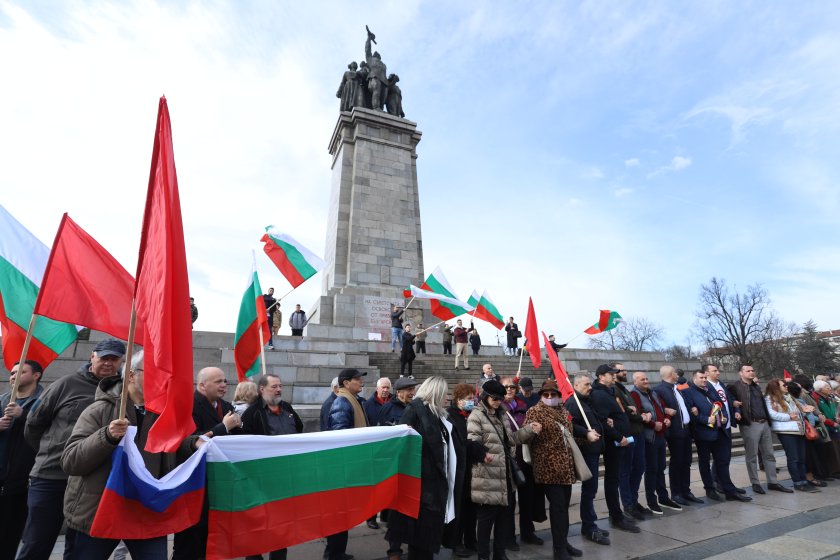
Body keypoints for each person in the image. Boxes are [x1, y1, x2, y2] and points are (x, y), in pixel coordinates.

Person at [61, 351, 176, 559]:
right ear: (131, 375)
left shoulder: (164, 415)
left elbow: (172, 448)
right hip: (98, 511)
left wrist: (193, 444)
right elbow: (71, 461)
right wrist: (107, 436)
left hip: (145, 511)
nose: (161, 379)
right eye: (153, 372)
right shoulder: (99, 410)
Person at [20, 338, 126, 560]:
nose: (108, 363)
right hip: (51, 477)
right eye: (103, 357)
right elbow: (34, 424)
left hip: (88, 484)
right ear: (92, 357)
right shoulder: (65, 384)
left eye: (114, 359)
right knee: (36, 543)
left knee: (77, 549)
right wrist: (51, 451)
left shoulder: (122, 393)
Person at [173, 367, 242, 560]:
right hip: (194, 481)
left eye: (225, 381)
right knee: (189, 541)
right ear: (202, 385)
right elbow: (191, 440)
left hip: (218, 482)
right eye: (218, 382)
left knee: (210, 539)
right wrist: (224, 427)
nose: (224, 385)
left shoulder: (227, 406)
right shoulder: (189, 405)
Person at [386, 377, 458, 559]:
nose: (447, 397)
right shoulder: (414, 412)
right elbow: (403, 449)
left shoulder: (437, 415)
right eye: (444, 393)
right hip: (422, 488)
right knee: (420, 542)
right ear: (435, 393)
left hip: (433, 486)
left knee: (425, 541)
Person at [467, 380, 540, 560]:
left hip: (506, 475)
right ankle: (483, 556)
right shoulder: (476, 415)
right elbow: (472, 440)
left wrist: (529, 430)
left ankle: (500, 554)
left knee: (504, 519)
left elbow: (512, 439)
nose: (498, 402)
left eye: (500, 399)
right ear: (484, 397)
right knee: (486, 521)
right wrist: (482, 454)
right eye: (494, 398)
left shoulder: (503, 414)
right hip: (487, 475)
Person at [241, 374, 303, 560]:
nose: (279, 389)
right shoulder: (252, 413)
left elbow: (299, 430)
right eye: (274, 386)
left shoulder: (287, 408)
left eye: (280, 386)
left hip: (285, 478)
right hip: (261, 479)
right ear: (262, 389)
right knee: (257, 523)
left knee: (282, 524)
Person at [525, 379, 580, 560]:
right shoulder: (535, 411)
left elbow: (569, 437)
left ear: (558, 395)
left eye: (553, 394)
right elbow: (526, 438)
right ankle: (559, 549)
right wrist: (531, 431)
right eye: (546, 394)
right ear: (541, 396)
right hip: (548, 468)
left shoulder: (564, 411)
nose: (549, 397)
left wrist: (588, 436)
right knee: (557, 509)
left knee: (564, 507)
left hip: (566, 468)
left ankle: (563, 542)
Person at [681, 370, 751, 502]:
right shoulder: (688, 392)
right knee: (705, 463)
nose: (704, 380)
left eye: (705, 377)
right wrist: (706, 420)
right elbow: (691, 414)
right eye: (701, 377)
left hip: (720, 431)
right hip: (704, 434)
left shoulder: (710, 390)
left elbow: (721, 405)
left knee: (723, 462)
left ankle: (729, 490)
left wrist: (724, 417)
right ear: (694, 378)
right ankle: (710, 489)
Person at [0, 360, 44, 560]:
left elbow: (49, 432)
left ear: (36, 376)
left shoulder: (42, 402)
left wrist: (23, 415)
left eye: (21, 371)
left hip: (23, 481)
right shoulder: (2, 401)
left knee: (11, 535)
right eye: (12, 372)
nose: (13, 376)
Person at [588, 365, 639, 534]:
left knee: (615, 479)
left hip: (620, 441)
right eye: (611, 374)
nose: (614, 376)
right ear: (601, 377)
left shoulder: (608, 391)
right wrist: (619, 437)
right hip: (613, 444)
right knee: (612, 480)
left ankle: (617, 515)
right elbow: (603, 421)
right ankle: (616, 516)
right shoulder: (599, 394)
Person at [727, 365, 791, 495]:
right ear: (741, 373)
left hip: (764, 423)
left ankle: (772, 482)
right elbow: (729, 399)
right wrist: (736, 408)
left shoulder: (756, 386)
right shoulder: (734, 386)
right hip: (750, 424)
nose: (751, 372)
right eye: (748, 371)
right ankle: (755, 483)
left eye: (752, 370)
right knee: (752, 456)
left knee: (769, 454)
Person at [326, 369, 369, 560]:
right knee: (338, 513)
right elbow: (340, 435)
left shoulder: (353, 400)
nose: (361, 382)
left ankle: (336, 551)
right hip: (343, 467)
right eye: (357, 379)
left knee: (343, 513)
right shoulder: (342, 402)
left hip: (350, 464)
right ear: (346, 383)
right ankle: (334, 553)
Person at [565, 374, 610, 544]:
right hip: (586, 451)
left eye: (590, 384)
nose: (590, 387)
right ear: (576, 385)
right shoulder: (572, 403)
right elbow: (569, 425)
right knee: (589, 491)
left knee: (591, 491)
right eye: (586, 384)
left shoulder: (585, 401)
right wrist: (586, 433)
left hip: (594, 450)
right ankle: (589, 527)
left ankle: (590, 523)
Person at [444, 384, 486, 558]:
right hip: (459, 468)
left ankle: (471, 539)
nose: (472, 402)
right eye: (468, 399)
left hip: (473, 468)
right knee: (459, 508)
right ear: (458, 400)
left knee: (472, 508)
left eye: (473, 398)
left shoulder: (473, 415)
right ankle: (456, 542)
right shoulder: (451, 416)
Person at [499, 376, 540, 550]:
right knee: (509, 503)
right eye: (506, 387)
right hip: (508, 460)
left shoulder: (524, 406)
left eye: (512, 387)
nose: (509, 389)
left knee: (527, 499)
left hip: (525, 459)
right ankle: (509, 537)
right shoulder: (497, 407)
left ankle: (527, 532)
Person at [653, 365, 696, 507]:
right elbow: (656, 407)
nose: (678, 375)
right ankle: (676, 493)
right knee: (677, 462)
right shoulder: (660, 389)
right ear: (671, 374)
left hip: (686, 430)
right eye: (675, 373)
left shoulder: (676, 388)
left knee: (686, 461)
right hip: (675, 432)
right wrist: (665, 410)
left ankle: (686, 491)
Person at [703, 364, 748, 497]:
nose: (718, 372)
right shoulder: (706, 386)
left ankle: (723, 482)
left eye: (718, 370)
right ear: (706, 373)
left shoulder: (721, 384)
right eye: (714, 370)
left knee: (725, 458)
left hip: (727, 425)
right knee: (720, 458)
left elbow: (730, 399)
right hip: (717, 427)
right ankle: (719, 483)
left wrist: (736, 409)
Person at [629, 371, 671, 516]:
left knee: (661, 468)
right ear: (635, 382)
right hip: (649, 437)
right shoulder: (634, 395)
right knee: (652, 469)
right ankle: (651, 501)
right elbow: (640, 415)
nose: (646, 381)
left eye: (646, 378)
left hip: (660, 435)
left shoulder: (652, 393)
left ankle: (663, 497)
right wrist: (653, 424)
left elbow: (661, 407)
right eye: (642, 379)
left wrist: (666, 418)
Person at [612, 363, 648, 520]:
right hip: (628, 435)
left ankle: (633, 500)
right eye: (621, 370)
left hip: (637, 433)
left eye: (625, 370)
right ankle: (628, 504)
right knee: (626, 471)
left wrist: (637, 413)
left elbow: (632, 408)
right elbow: (625, 411)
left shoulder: (623, 388)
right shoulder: (614, 390)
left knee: (639, 468)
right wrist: (641, 416)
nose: (624, 372)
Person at [765, 379, 812, 492]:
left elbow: (797, 412)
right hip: (786, 431)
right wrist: (789, 417)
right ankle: (797, 482)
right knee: (793, 458)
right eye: (784, 385)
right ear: (776, 387)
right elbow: (772, 414)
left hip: (798, 429)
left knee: (801, 457)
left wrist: (805, 410)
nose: (786, 386)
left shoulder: (789, 397)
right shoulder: (770, 399)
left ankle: (804, 480)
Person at [364, 29, 388, 110]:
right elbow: (367, 49)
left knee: (383, 96)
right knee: (376, 91)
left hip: (384, 80)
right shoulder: (370, 59)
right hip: (374, 77)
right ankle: (376, 107)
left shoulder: (383, 64)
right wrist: (369, 39)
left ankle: (380, 109)